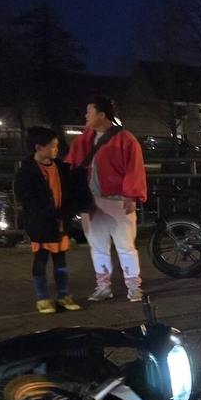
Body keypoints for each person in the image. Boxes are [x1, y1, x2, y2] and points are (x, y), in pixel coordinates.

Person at [64, 96, 147, 302]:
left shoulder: (126, 139)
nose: (85, 116)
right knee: (98, 247)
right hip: (90, 201)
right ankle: (103, 285)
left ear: (102, 114)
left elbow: (134, 168)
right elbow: (70, 167)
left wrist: (130, 194)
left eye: (89, 111)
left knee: (125, 246)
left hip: (118, 200)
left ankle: (133, 286)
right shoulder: (83, 139)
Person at [14, 127, 87, 314]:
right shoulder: (27, 172)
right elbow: (26, 197)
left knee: (60, 260)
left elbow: (68, 191)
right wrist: (47, 211)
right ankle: (42, 298)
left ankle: (63, 296)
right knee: (41, 260)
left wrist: (68, 210)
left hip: (59, 221)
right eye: (53, 146)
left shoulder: (60, 167)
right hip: (41, 222)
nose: (56, 149)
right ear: (39, 148)